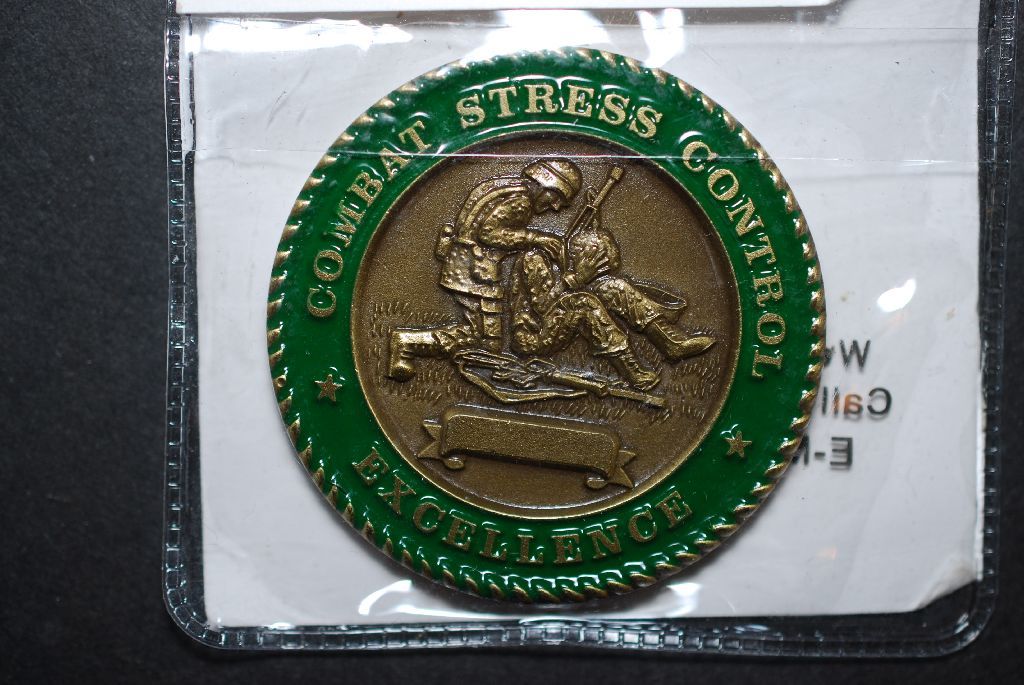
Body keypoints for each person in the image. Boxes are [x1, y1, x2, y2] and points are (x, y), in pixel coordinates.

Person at [387, 158, 661, 390]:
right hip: (477, 277)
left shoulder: (507, 188)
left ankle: (661, 341)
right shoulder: (522, 206)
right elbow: (489, 234)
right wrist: (551, 252)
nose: (556, 208)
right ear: (546, 185)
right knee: (484, 342)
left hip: (469, 269)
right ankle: (408, 343)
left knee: (485, 340)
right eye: (557, 198)